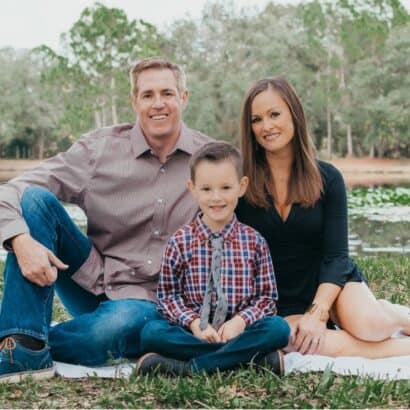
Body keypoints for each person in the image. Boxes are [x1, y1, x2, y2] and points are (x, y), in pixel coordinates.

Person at [0, 57, 213, 383]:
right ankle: (24, 344)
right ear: (134, 101)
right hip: (93, 280)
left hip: (158, 301)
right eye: (148, 95)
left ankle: (20, 342)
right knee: (34, 200)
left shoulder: (210, 159)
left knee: (108, 332)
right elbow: (12, 192)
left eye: (168, 93)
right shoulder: (98, 151)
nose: (158, 104)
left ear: (183, 98)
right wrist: (19, 240)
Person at [236, 76, 410, 358]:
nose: (266, 126)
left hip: (331, 282)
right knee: (300, 342)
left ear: (294, 114)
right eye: (257, 119)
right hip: (280, 296)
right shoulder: (241, 183)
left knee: (370, 326)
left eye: (274, 114)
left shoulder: (328, 178)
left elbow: (337, 256)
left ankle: (395, 314)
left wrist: (318, 312)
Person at [136, 142, 290, 376]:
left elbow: (266, 300)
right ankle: (245, 362)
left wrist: (239, 322)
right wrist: (194, 323)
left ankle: (192, 368)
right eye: (206, 189)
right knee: (152, 332)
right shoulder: (179, 242)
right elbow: (168, 298)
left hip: (241, 331)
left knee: (278, 328)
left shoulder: (254, 242)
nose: (216, 198)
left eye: (226, 187)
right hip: (193, 332)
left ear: (242, 186)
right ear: (192, 188)